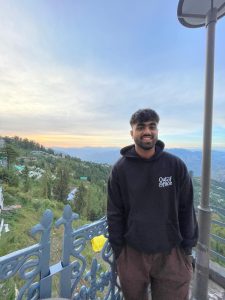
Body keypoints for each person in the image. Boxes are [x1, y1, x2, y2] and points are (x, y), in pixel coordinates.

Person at [107, 108, 198, 300]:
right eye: (141, 127)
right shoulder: (120, 170)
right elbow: (115, 213)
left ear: (157, 131)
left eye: (152, 126)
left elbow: (186, 208)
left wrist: (187, 250)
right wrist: (120, 253)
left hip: (172, 253)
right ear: (132, 133)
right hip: (132, 254)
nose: (147, 131)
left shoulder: (175, 166)